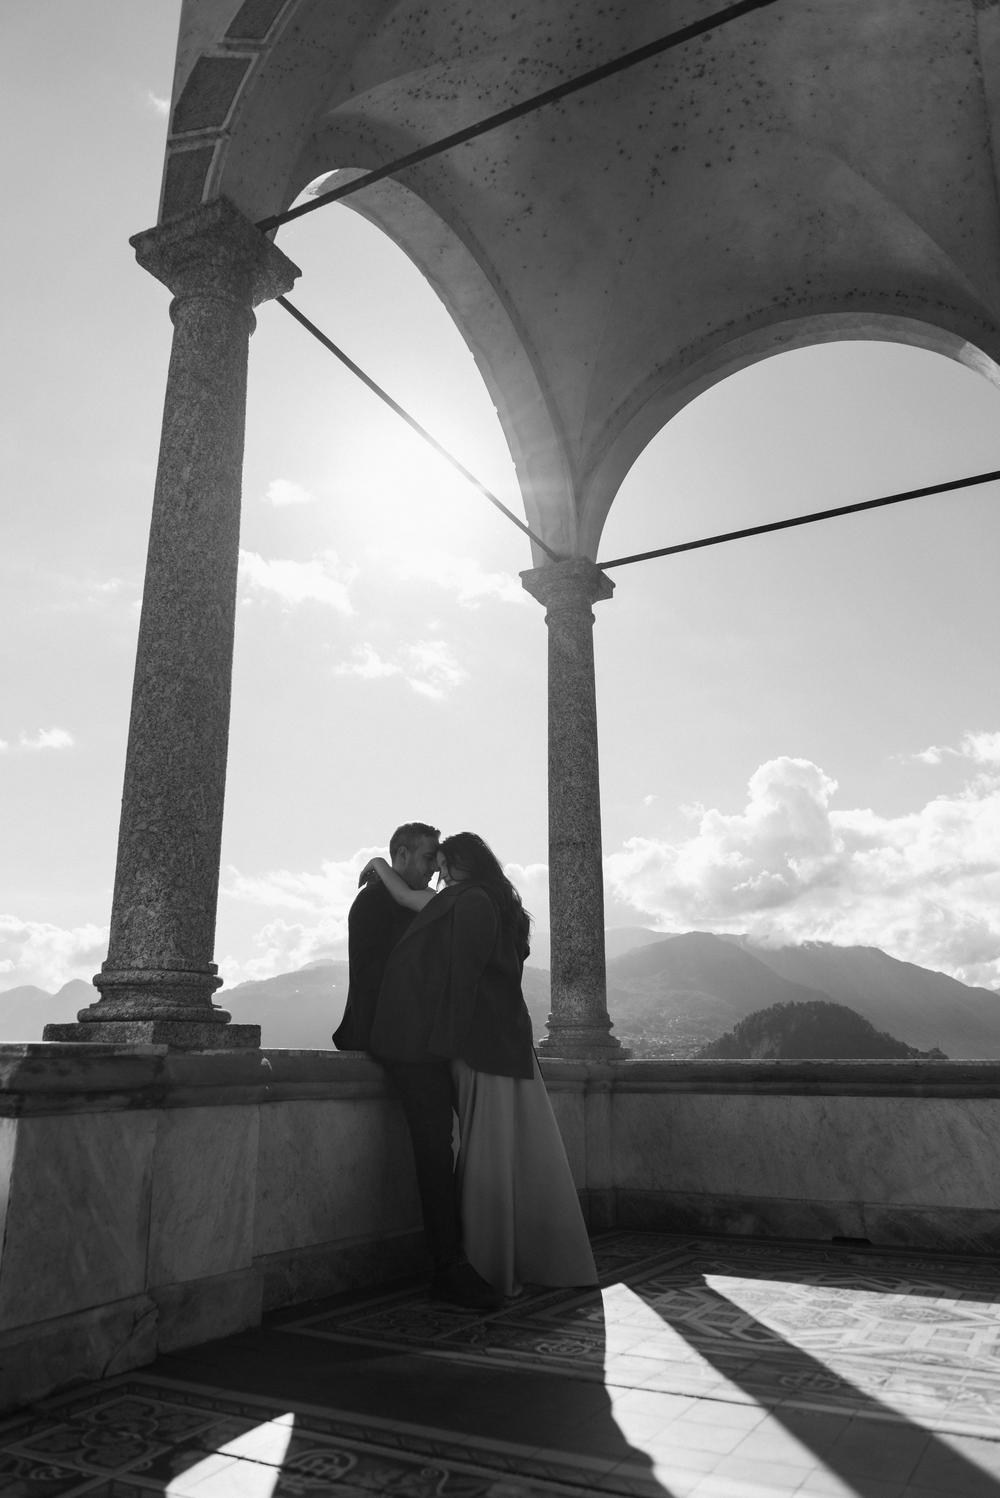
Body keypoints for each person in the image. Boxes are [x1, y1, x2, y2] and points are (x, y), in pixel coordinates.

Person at [364, 831, 598, 1298]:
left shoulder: (467, 902)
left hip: (481, 1044)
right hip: (508, 1040)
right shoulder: (499, 904)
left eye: (446, 864)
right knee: (512, 1150)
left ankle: (489, 1263)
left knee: (485, 1151)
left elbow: (462, 975)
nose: (440, 873)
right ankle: (521, 1255)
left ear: (465, 865)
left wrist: (444, 1044)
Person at [334, 822, 496, 1310]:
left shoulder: (402, 896)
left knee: (442, 1144)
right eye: (427, 858)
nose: (434, 869)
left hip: (421, 1041)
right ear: (400, 854)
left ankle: (458, 1257)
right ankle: (447, 1267)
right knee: (433, 1146)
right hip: (402, 1042)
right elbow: (375, 980)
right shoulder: (374, 903)